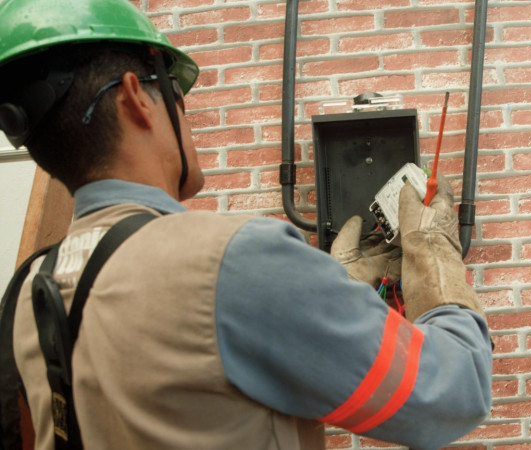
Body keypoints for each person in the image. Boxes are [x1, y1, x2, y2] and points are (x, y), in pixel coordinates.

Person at [0, 0, 493, 449]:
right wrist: (433, 250)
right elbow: (453, 393)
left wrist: (323, 290)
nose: (185, 117)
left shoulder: (26, 292)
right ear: (136, 98)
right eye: (177, 93)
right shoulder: (233, 258)